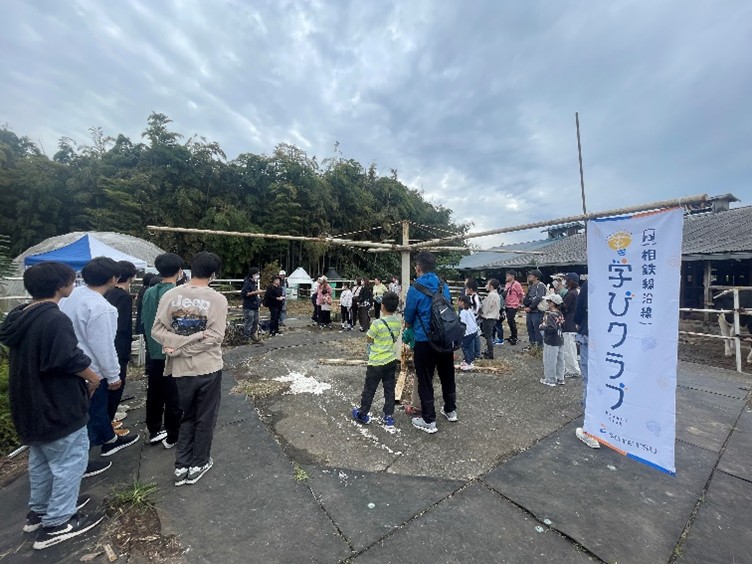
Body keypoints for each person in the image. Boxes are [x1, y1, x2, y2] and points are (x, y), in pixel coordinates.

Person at [0, 262, 104, 549]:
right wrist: (93, 377)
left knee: (42, 460)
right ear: (60, 286)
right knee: (69, 461)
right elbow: (68, 358)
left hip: (29, 401)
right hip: (57, 402)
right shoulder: (54, 319)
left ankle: (40, 510)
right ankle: (58, 522)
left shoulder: (21, 316)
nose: (74, 284)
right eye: (72, 280)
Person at [151, 252, 227, 486]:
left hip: (180, 369)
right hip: (208, 367)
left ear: (188, 270)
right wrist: (192, 341)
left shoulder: (171, 295)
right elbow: (215, 337)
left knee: (186, 416)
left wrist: (178, 347)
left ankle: (181, 465)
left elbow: (157, 331)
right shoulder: (217, 299)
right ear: (213, 274)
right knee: (205, 417)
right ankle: (198, 463)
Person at [60, 257, 140, 458]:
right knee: (93, 413)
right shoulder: (102, 308)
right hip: (92, 370)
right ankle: (82, 461)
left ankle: (109, 440)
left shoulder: (72, 296)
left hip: (70, 364)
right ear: (113, 278)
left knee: (89, 413)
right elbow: (103, 345)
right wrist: (113, 375)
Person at [404, 251, 457, 434]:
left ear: (418, 267)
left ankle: (429, 419)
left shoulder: (415, 288)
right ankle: (450, 410)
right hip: (445, 337)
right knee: (447, 375)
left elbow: (409, 317)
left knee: (425, 379)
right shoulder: (443, 285)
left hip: (424, 340)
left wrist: (409, 328)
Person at [141, 253, 184, 448]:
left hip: (154, 349)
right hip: (172, 352)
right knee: (174, 395)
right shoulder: (178, 293)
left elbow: (145, 320)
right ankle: (173, 434)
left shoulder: (149, 292)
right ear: (179, 271)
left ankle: (154, 429)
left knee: (155, 391)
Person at [351, 291, 402, 428]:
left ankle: (363, 413)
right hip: (391, 360)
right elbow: (395, 338)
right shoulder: (397, 323)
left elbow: (369, 338)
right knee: (389, 389)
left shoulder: (377, 323)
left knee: (369, 389)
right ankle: (388, 416)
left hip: (376, 363)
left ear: (382, 306)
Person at [104, 260, 137, 435]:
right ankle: (108, 430)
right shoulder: (123, 297)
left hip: (107, 348)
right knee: (115, 388)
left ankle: (106, 423)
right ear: (131, 277)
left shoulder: (107, 293)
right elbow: (122, 326)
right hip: (118, 348)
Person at [573, 278, 599, 448]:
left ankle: (591, 430)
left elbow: (579, 312)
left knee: (591, 381)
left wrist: (580, 324)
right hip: (619, 337)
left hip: (591, 335)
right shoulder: (628, 280)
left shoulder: (591, 283)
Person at [539, 294, 565, 387]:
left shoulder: (550, 315)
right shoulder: (560, 313)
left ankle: (550, 379)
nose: (547, 303)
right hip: (560, 339)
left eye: (548, 302)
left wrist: (543, 326)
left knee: (549, 360)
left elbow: (551, 328)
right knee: (560, 360)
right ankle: (560, 378)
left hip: (551, 340)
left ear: (553, 303)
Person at [562, 272, 581, 378]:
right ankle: (572, 368)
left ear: (571, 281)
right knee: (572, 348)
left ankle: (573, 370)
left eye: (567, 280)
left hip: (569, 322)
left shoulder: (571, 293)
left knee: (569, 349)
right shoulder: (578, 291)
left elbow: (564, 307)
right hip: (575, 322)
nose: (565, 281)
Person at [523, 269, 547, 350]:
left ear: (536, 277)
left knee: (537, 329)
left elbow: (539, 297)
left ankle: (539, 347)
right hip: (529, 311)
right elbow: (527, 297)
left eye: (531, 275)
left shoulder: (540, 285)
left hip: (537, 311)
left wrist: (530, 307)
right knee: (530, 328)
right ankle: (532, 345)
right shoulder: (530, 286)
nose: (529, 276)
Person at [479, 279, 501, 360]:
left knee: (488, 336)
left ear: (491, 286)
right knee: (489, 335)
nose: (486, 286)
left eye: (487, 284)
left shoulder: (491, 295)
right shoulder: (496, 295)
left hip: (488, 317)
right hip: (493, 317)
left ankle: (490, 352)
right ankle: (489, 350)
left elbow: (486, 308)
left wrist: (481, 312)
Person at [240, 267, 264, 343]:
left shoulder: (253, 283)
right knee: (249, 321)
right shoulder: (247, 282)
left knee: (256, 321)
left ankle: (253, 335)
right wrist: (255, 292)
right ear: (252, 274)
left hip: (254, 305)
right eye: (256, 274)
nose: (258, 276)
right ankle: (246, 337)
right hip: (248, 306)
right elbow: (244, 294)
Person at [458, 295, 479, 371]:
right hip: (474, 330)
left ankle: (468, 362)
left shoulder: (463, 312)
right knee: (469, 346)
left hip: (468, 332)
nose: (457, 303)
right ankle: (470, 359)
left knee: (464, 347)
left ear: (462, 302)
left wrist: (460, 334)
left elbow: (462, 324)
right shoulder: (469, 310)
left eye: (459, 301)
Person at [503, 270, 524, 345]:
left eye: (508, 276)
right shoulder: (507, 284)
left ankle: (515, 337)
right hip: (507, 304)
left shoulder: (516, 284)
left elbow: (521, 294)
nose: (506, 277)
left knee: (511, 320)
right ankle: (512, 335)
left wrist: (520, 303)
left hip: (513, 305)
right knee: (509, 321)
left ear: (512, 276)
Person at [465, 279, 482, 361]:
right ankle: (476, 354)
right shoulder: (472, 296)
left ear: (470, 289)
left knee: (474, 337)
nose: (466, 290)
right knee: (475, 336)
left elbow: (477, 308)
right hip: (474, 319)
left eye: (467, 288)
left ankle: (475, 354)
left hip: (474, 320)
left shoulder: (475, 297)